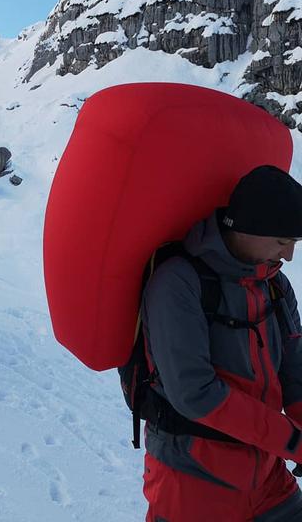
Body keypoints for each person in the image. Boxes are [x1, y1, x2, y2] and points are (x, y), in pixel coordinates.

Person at [141, 165, 302, 521]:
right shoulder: (178, 283)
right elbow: (194, 393)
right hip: (193, 480)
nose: (289, 255)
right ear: (247, 227)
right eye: (282, 242)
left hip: (267, 477)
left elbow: (295, 370)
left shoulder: (275, 284)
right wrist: (291, 441)